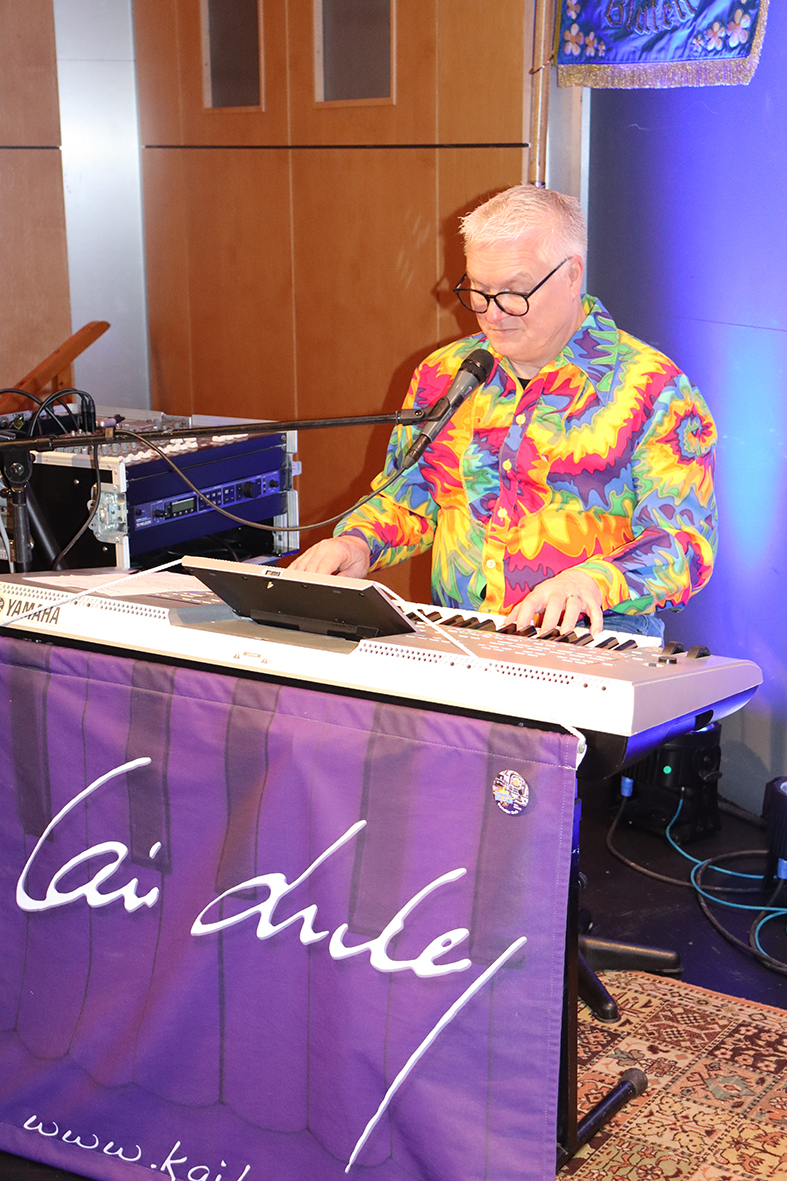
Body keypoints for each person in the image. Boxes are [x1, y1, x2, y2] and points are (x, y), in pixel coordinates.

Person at [290, 186, 717, 639]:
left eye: (513, 292)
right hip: (460, 637)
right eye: (479, 291)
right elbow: (410, 497)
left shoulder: (654, 389)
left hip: (595, 642)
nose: (492, 315)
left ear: (572, 275)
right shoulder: (444, 374)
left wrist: (591, 582)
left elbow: (684, 544)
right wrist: (356, 543)